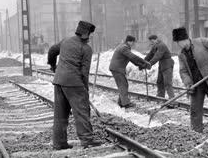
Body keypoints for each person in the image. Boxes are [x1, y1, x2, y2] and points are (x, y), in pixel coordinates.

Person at [47, 20, 102, 150]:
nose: (90, 37)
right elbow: (84, 72)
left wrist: (53, 65)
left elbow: (52, 51)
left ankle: (59, 143)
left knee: (60, 113)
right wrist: (85, 91)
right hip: (74, 83)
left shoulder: (65, 41)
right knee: (81, 111)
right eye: (90, 34)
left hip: (59, 81)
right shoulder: (86, 49)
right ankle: (87, 139)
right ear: (86, 33)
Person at [109, 35, 151, 108]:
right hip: (117, 68)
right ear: (130, 41)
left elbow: (132, 60)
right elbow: (133, 57)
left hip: (117, 68)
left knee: (123, 85)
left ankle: (121, 102)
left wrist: (141, 65)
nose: (134, 44)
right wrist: (144, 62)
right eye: (133, 42)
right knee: (123, 85)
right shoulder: (124, 48)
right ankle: (125, 103)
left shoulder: (124, 47)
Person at [144, 35, 175, 100]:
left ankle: (172, 99)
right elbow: (150, 55)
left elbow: (157, 56)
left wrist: (150, 64)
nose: (151, 43)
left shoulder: (161, 45)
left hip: (167, 64)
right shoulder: (155, 46)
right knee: (160, 81)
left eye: (152, 41)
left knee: (167, 82)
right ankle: (160, 96)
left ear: (156, 40)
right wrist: (143, 62)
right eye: (151, 42)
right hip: (162, 65)